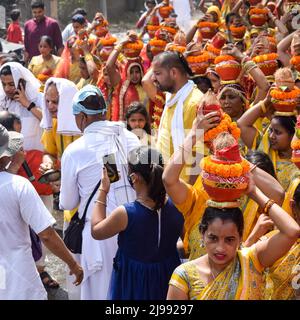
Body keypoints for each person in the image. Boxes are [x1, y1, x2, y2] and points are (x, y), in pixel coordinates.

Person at [166, 132, 300, 300]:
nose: (220, 248)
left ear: (240, 237)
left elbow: (292, 231)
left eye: (229, 240)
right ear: (202, 234)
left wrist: (254, 192)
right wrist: (195, 132)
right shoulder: (184, 276)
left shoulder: (252, 260)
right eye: (213, 238)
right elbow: (168, 179)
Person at [59, 85, 140, 300]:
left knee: (101, 292)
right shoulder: (131, 138)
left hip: (99, 231)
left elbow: (67, 203)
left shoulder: (75, 151)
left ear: (83, 117)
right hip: (134, 225)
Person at [0, 124, 83, 299]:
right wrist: (73, 264)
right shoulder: (18, 186)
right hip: (20, 281)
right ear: (6, 155)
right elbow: (46, 235)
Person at [91, 146, 184, 300]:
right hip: (169, 275)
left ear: (134, 178)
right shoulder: (178, 205)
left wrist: (103, 190)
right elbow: (187, 239)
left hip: (134, 280)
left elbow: (96, 230)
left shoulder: (126, 213)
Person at [152, 51, 203, 183]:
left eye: (158, 74)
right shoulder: (171, 97)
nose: (153, 79)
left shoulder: (195, 102)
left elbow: (200, 152)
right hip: (168, 184)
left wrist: (189, 192)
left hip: (182, 186)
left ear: (173, 73)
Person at [0, 62, 43, 151]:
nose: (7, 89)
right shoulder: (3, 101)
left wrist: (28, 104)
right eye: (4, 84)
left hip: (35, 158)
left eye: (11, 84)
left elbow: (49, 123)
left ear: (22, 82)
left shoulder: (38, 98)